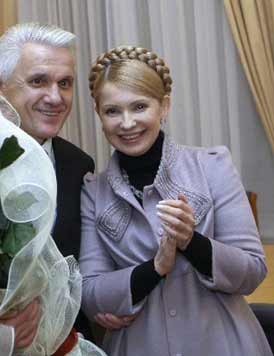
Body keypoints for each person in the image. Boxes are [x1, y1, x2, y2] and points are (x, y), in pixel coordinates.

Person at [79, 45, 272, 355]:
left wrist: (190, 241)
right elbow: (90, 294)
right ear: (99, 114)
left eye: (140, 107)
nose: (127, 123)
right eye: (113, 111)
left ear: (164, 106)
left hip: (224, 343)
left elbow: (251, 271)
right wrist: (156, 267)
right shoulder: (93, 191)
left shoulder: (212, 166)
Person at [0, 23, 130, 349]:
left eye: (65, 84)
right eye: (39, 81)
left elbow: (82, 264)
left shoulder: (78, 164)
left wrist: (105, 302)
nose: (55, 97)